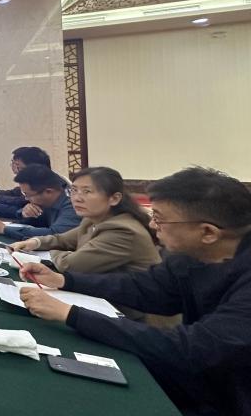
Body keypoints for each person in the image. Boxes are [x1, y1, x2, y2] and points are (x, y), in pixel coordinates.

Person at [17, 167, 251, 416]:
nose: (152, 224)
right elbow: (144, 289)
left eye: (159, 218)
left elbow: (194, 349)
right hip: (200, 377)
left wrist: (72, 314)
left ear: (208, 232)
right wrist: (65, 281)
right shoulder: (190, 256)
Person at [10, 167, 163, 322]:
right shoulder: (93, 218)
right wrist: (34, 242)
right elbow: (62, 239)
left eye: (87, 191)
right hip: (101, 299)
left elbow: (70, 265)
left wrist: (56, 253)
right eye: (74, 190)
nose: (77, 198)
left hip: (133, 316)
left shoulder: (123, 230)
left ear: (114, 198)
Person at [0, 164, 80, 240]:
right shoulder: (49, 203)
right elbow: (38, 222)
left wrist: (5, 229)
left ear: (48, 192)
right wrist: (26, 213)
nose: (26, 199)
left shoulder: (73, 206)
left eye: (28, 195)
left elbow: (54, 235)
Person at [0, 147, 61, 218]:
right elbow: (16, 194)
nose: (15, 169)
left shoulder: (49, 187)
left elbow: (22, 205)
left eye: (19, 167)